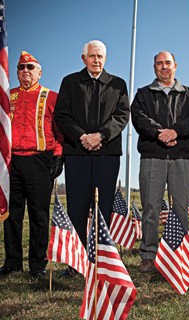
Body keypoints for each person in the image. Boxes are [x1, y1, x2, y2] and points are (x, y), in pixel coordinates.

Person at [54, 40, 130, 277]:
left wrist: (101, 136)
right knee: (76, 207)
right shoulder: (70, 82)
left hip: (107, 154)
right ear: (83, 58)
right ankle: (76, 263)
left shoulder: (118, 84)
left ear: (105, 59)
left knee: (103, 207)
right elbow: (61, 115)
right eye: (92, 56)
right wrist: (82, 137)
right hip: (77, 153)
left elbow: (122, 115)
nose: (96, 60)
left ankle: (101, 261)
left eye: (100, 57)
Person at [0, 51, 64, 280]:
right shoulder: (6, 97)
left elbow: (61, 131)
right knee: (12, 214)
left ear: (40, 72)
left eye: (30, 67)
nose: (25, 71)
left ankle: (37, 264)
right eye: (21, 67)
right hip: (11, 161)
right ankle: (12, 262)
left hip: (39, 160)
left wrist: (59, 156)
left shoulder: (52, 97)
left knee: (39, 214)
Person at [131, 51, 189, 272]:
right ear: (154, 68)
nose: (164, 67)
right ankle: (149, 255)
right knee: (151, 206)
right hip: (153, 156)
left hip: (181, 157)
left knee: (181, 206)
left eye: (167, 63)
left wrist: (175, 132)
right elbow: (139, 118)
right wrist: (160, 133)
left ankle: (178, 252)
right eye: (159, 64)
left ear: (175, 66)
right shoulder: (143, 94)